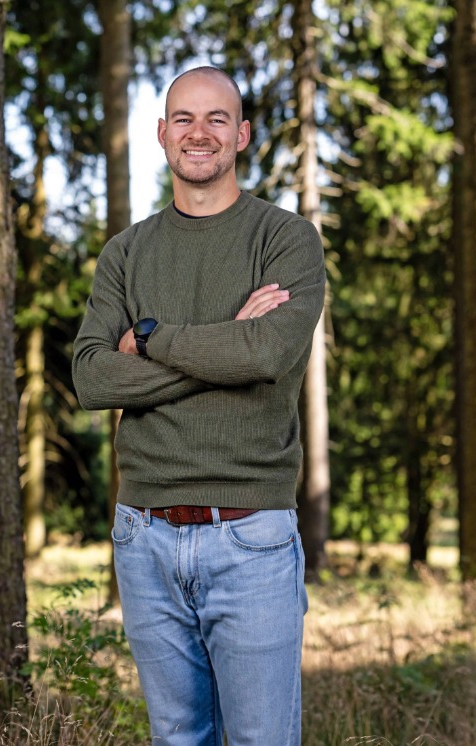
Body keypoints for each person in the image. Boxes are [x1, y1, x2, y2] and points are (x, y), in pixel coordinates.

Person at [71, 66, 326, 745]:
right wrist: (222, 347)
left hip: (249, 535)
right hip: (142, 536)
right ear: (161, 134)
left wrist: (150, 339)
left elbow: (265, 355)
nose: (199, 132)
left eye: (217, 119)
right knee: (177, 738)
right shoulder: (126, 253)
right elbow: (93, 379)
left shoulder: (284, 238)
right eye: (183, 118)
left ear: (241, 134)